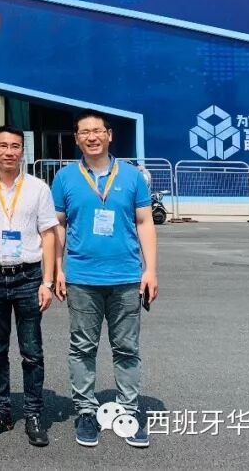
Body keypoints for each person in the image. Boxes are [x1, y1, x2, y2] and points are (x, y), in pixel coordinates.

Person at [51, 110, 159, 450]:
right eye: (85, 132)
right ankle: (86, 410)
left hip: (126, 276)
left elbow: (144, 222)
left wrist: (150, 269)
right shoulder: (65, 177)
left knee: (126, 348)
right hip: (82, 277)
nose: (92, 137)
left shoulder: (132, 176)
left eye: (97, 130)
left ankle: (129, 409)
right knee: (82, 347)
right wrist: (56, 269)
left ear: (109, 135)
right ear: (77, 138)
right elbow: (57, 226)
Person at [0, 125, 57, 448]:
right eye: (3, 145)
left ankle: (33, 413)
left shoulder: (38, 188)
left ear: (23, 150)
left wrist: (47, 281)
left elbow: (49, 234)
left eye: (15, 146)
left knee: (32, 351)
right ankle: (1, 411)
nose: (9, 152)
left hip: (28, 276)